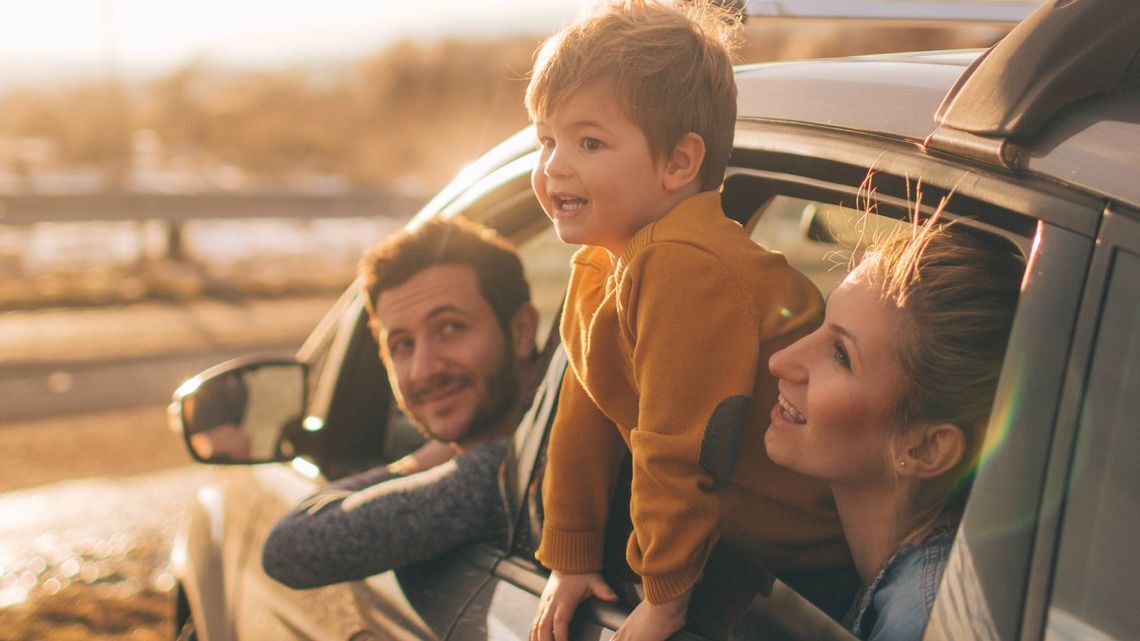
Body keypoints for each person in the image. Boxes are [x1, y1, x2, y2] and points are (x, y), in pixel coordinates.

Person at [527, 3, 853, 640]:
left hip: (825, 554)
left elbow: (678, 446)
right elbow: (584, 411)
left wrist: (664, 597)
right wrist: (569, 556)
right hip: (752, 541)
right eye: (547, 140)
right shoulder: (603, 263)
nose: (554, 166)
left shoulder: (682, 264)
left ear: (679, 162)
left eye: (589, 142)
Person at [765, 216, 1025, 641]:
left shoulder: (921, 620)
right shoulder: (922, 582)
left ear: (925, 449)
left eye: (840, 355)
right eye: (820, 325)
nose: (781, 361)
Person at [261, 216, 540, 589]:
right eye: (402, 345)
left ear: (521, 331)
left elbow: (290, 549)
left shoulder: (512, 473)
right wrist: (437, 455)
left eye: (450, 327)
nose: (424, 370)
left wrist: (423, 461)